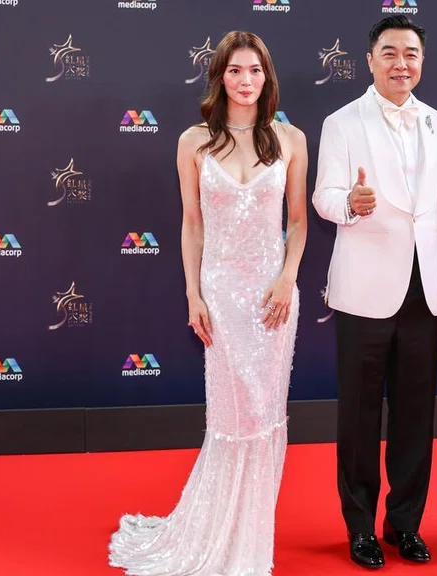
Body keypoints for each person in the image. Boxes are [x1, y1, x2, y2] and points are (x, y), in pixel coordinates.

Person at [109, 30, 308, 575]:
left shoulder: (290, 140)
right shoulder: (192, 141)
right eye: (236, 71)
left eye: (256, 71)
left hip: (272, 297)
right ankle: (214, 534)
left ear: (268, 78)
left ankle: (251, 541)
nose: (246, 81)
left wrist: (288, 277)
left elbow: (296, 222)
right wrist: (193, 291)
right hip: (221, 292)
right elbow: (192, 223)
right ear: (219, 76)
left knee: (266, 413)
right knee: (231, 415)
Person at [312, 15, 437, 570]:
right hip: (363, 289)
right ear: (370, 60)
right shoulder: (342, 121)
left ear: (423, 62)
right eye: (390, 54)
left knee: (414, 415)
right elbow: (323, 196)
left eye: (411, 55)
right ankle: (359, 528)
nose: (402, 64)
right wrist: (349, 204)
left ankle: (405, 524)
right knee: (357, 416)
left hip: (424, 289)